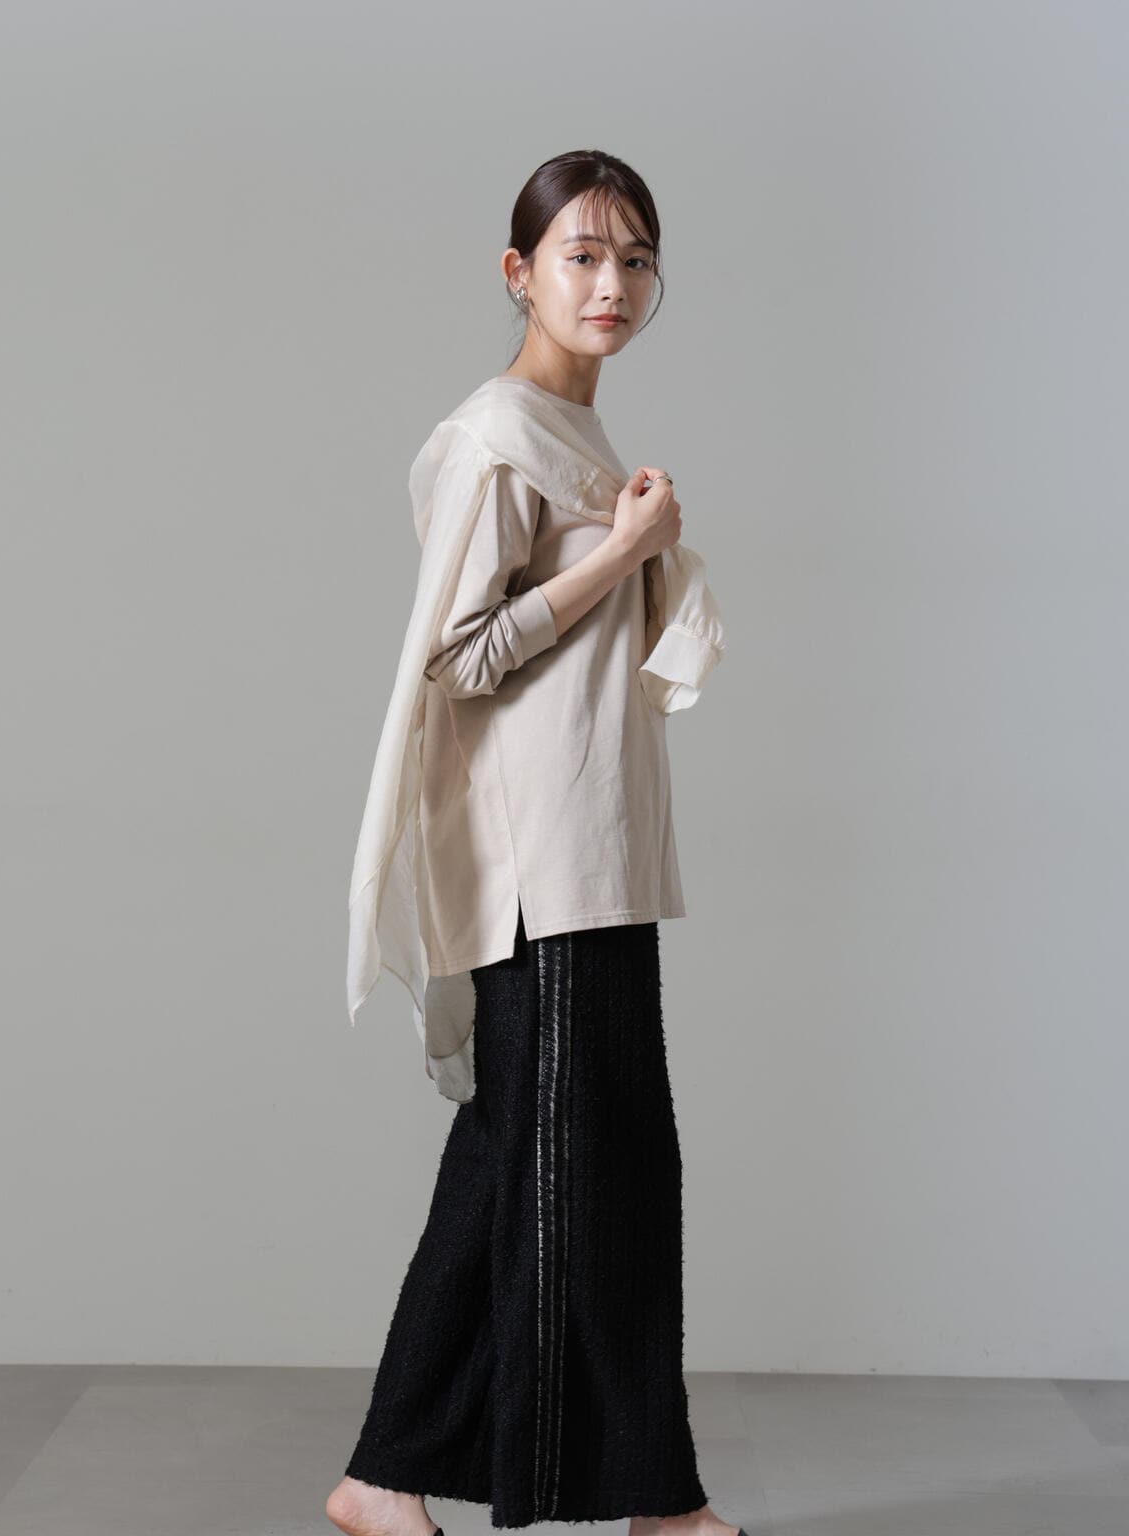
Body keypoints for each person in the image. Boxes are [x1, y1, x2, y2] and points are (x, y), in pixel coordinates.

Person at [327, 150, 747, 1536]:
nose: (611, 283)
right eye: (582, 255)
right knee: (596, 1181)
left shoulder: (579, 437)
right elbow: (458, 658)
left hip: (596, 857)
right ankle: (658, 1506)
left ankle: (381, 1479)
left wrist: (630, 541)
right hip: (540, 875)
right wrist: (625, 554)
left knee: (526, 1165)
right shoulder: (497, 437)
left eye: (635, 259)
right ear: (520, 272)